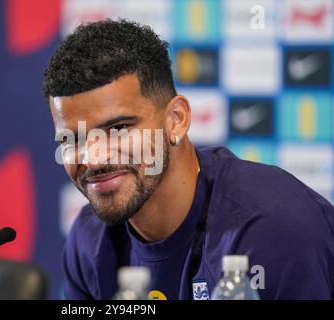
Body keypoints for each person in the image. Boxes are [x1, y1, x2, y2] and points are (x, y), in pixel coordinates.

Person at [43, 19, 334, 300]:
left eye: (118, 129)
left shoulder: (271, 229)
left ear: (176, 120)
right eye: (74, 139)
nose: (94, 160)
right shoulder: (87, 241)